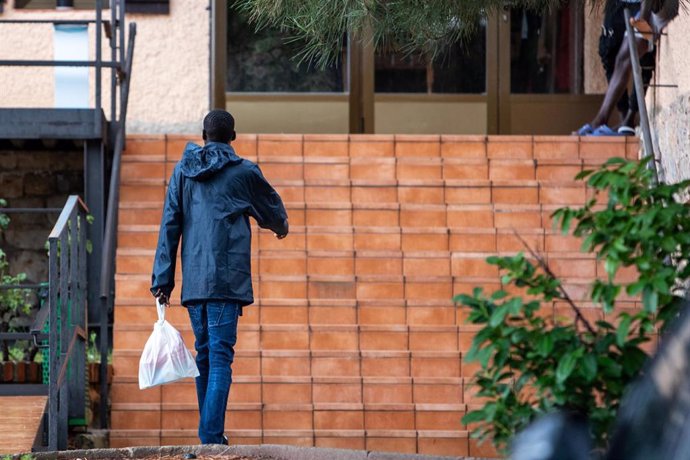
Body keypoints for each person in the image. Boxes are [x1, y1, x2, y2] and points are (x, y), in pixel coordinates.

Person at [150, 110, 288, 445]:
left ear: (203, 134)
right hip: (226, 281)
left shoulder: (183, 171)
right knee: (221, 355)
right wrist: (279, 227)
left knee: (206, 354)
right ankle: (211, 436)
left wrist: (162, 279)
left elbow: (170, 222)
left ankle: (210, 435)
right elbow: (272, 211)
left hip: (195, 282)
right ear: (233, 137)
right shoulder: (243, 172)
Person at [575, 0, 675, 136]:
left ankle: (619, 118)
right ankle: (607, 119)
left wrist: (642, 21)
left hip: (653, 6)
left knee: (629, 54)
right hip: (627, 4)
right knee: (613, 52)